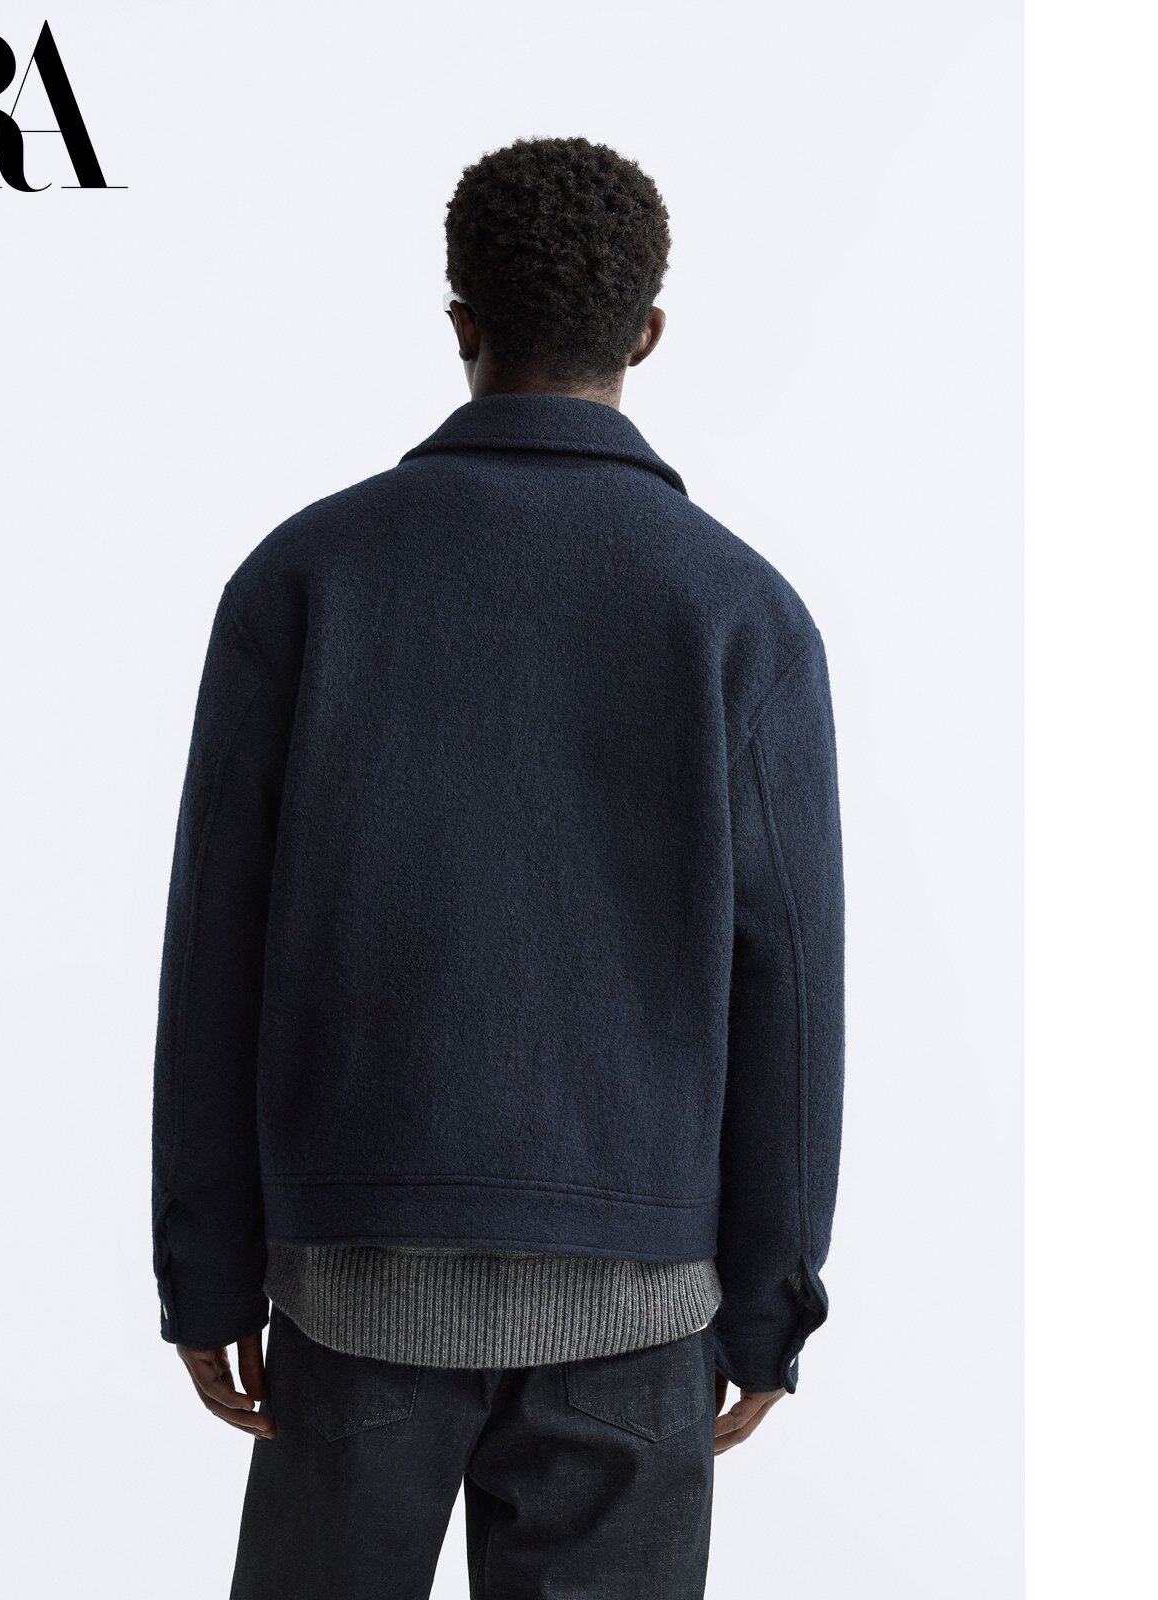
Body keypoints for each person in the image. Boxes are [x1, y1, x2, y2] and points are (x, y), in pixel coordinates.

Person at [151, 136, 845, 1599]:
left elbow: (215, 951)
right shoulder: (739, 611)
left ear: (460, 320)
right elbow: (789, 981)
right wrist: (772, 1301)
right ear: (647, 334)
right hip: (636, 1306)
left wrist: (205, 1270)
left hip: (354, 1290)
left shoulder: (305, 579)